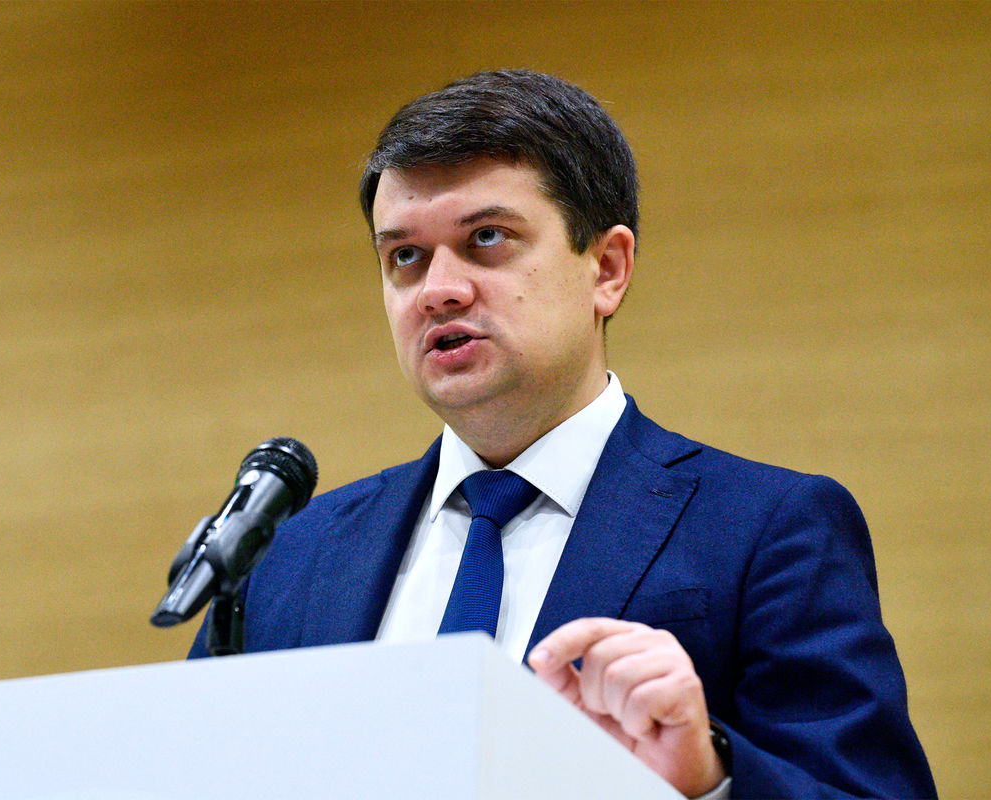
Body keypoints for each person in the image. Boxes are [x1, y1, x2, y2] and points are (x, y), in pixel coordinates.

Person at [189, 70, 935, 799]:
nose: (438, 290)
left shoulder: (768, 529)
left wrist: (710, 781)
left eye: (487, 238)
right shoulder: (287, 556)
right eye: (404, 257)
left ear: (606, 268)